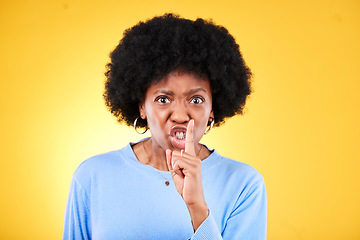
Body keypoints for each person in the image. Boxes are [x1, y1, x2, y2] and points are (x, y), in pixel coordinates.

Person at [63, 13, 266, 240]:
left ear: (212, 110)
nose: (180, 115)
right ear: (142, 106)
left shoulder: (244, 185)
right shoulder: (92, 177)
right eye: (163, 99)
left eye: (196, 100)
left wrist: (197, 207)